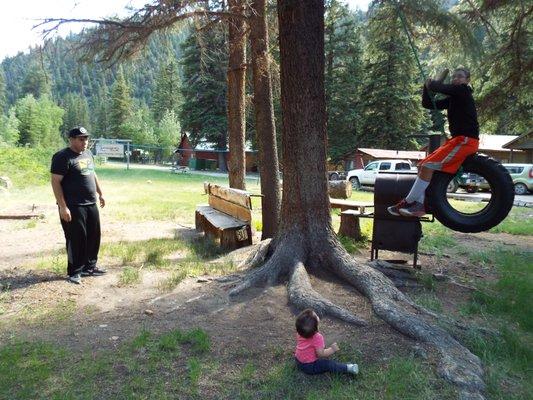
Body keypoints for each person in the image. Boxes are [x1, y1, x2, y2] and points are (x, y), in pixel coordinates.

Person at [388, 67, 480, 217]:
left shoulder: (464, 91)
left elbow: (438, 87)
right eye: (454, 76)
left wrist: (431, 83)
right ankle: (419, 205)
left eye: (460, 77)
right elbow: (428, 104)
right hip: (457, 141)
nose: (456, 78)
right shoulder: (453, 98)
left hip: (466, 141)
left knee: (428, 166)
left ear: (467, 80)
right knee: (423, 165)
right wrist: (426, 87)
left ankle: (408, 202)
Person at [50, 127, 106, 284]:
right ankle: (74, 272)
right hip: (73, 206)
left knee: (94, 236)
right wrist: (62, 206)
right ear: (71, 139)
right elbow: (55, 182)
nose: (85, 142)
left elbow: (92, 173)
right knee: (76, 238)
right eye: (81, 139)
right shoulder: (62, 157)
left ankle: (90, 267)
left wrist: (100, 193)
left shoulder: (87, 154)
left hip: (90, 203)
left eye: (86, 139)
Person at [294, 309, 359, 375]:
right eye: (316, 316)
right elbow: (321, 354)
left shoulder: (300, 332)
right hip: (309, 366)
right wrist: (332, 349)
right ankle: (348, 368)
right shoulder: (317, 338)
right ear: (315, 326)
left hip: (298, 360)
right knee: (327, 364)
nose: (317, 315)